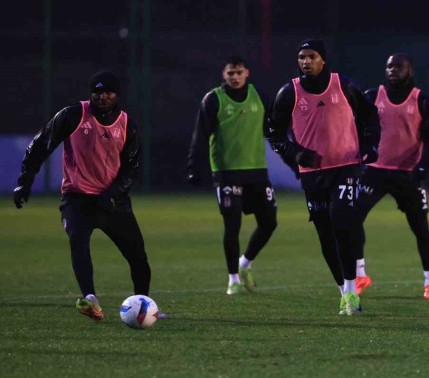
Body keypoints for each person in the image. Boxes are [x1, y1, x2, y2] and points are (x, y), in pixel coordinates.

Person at [12, 71, 153, 322]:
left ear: (117, 95)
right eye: (97, 91)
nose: (102, 96)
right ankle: (90, 299)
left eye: (108, 92)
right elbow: (41, 144)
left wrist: (113, 193)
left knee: (138, 256)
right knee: (78, 240)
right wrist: (25, 181)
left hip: (112, 201)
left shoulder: (127, 124)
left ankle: (144, 305)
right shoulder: (72, 115)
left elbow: (132, 167)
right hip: (77, 199)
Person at [267, 39, 380, 316]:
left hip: (345, 167)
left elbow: (370, 115)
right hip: (312, 174)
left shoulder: (345, 86)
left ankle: (352, 290)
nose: (306, 61)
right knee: (325, 234)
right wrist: (295, 153)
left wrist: (370, 144)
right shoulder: (289, 93)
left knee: (342, 222)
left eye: (311, 56)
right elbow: (274, 132)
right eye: (302, 57)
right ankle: (344, 293)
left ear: (323, 60)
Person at [353, 53, 429, 299]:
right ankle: (360, 275)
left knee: (420, 227)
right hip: (375, 171)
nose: (393, 70)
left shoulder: (422, 100)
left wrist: (423, 166)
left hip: (407, 174)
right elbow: (358, 129)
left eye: (398, 67)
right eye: (389, 66)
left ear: (409, 70)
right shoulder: (373, 96)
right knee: (352, 217)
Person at [186, 55, 278, 295]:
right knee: (232, 225)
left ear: (247, 73)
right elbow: (200, 135)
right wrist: (194, 167)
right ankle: (233, 279)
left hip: (257, 170)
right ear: (223, 75)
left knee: (269, 222)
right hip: (227, 173)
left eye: (239, 72)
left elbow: (274, 129)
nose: (235, 77)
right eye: (230, 73)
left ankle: (245, 263)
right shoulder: (213, 99)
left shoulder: (259, 96)